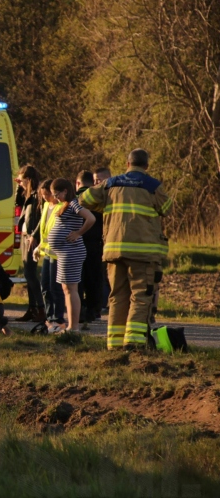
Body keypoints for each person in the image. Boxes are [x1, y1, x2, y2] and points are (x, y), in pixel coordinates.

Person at [80, 148, 171, 350]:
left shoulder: (111, 183)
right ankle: (134, 343)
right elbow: (167, 209)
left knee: (117, 297)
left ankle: (114, 344)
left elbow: (83, 200)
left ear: (127, 164)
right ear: (146, 166)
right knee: (140, 295)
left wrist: (103, 205)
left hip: (113, 250)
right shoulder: (152, 185)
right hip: (142, 252)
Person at [47, 178, 95, 333]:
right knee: (66, 288)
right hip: (64, 252)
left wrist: (78, 233)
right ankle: (71, 326)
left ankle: (73, 327)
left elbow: (91, 218)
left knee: (71, 289)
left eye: (57, 193)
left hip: (71, 251)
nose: (55, 197)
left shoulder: (74, 203)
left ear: (65, 191)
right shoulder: (65, 205)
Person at [32, 179, 66, 331]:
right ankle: (48, 317)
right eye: (42, 195)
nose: (45, 197)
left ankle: (58, 319)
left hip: (57, 254)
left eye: (47, 194)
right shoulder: (46, 206)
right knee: (45, 286)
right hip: (47, 252)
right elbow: (44, 231)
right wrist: (38, 247)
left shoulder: (62, 206)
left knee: (55, 288)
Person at [14, 164, 45, 322]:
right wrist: (19, 189)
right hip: (25, 235)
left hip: (32, 236)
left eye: (22, 179)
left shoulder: (38, 195)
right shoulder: (26, 195)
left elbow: (42, 218)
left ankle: (40, 308)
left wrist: (35, 235)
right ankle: (32, 309)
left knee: (30, 274)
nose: (20, 182)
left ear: (29, 179)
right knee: (28, 274)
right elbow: (16, 204)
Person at [75, 170, 104, 324]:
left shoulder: (74, 198)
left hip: (77, 242)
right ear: (92, 183)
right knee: (94, 279)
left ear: (78, 183)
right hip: (96, 244)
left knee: (78, 279)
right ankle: (93, 311)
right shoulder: (99, 198)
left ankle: (79, 311)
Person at [93, 166, 112, 309]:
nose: (96, 183)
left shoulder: (113, 196)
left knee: (107, 275)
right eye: (94, 180)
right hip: (100, 241)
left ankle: (104, 303)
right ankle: (102, 303)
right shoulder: (96, 197)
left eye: (99, 180)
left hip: (111, 242)